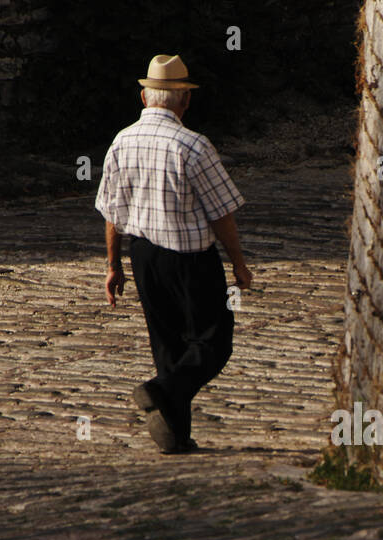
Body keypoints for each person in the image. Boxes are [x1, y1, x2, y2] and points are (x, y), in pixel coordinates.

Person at [95, 54, 253, 453]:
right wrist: (238, 262)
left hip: (144, 255)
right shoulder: (194, 146)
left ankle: (175, 437)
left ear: (144, 97)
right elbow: (221, 214)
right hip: (190, 259)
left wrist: (114, 265)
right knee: (213, 342)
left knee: (167, 346)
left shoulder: (121, 141)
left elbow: (112, 213)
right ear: (184, 100)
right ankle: (160, 390)